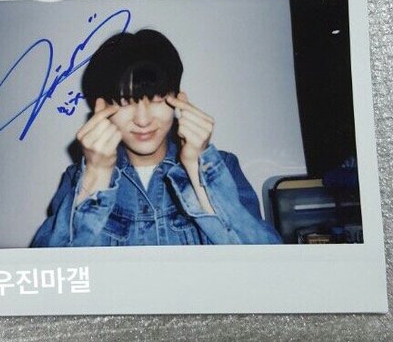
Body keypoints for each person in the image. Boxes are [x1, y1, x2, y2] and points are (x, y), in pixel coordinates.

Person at [30, 29, 282, 247]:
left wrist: (198, 168)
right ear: (102, 107)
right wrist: (96, 175)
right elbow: (51, 272)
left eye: (157, 99)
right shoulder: (77, 178)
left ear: (177, 99)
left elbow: (267, 266)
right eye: (125, 102)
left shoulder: (222, 167)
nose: (143, 120)